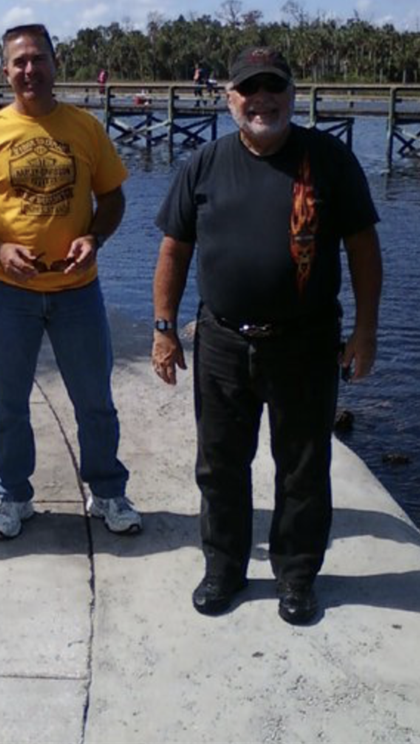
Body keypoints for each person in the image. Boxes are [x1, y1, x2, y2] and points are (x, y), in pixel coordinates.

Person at [152, 46, 382, 624]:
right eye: (249, 88)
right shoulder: (204, 164)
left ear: (292, 95)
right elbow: (174, 249)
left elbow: (363, 250)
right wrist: (163, 329)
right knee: (221, 463)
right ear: (230, 98)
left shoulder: (329, 160)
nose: (262, 99)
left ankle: (297, 575)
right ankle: (224, 567)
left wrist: (366, 331)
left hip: (305, 342)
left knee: (303, 464)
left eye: (273, 87)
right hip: (223, 341)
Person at [0, 23, 142, 540]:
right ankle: (13, 497)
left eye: (38, 59)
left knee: (95, 400)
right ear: (5, 70)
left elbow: (114, 199)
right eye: (19, 62)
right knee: (8, 404)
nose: (29, 70)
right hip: (9, 295)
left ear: (56, 64)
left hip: (78, 292)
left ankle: (107, 493)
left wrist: (94, 239)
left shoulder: (84, 128)